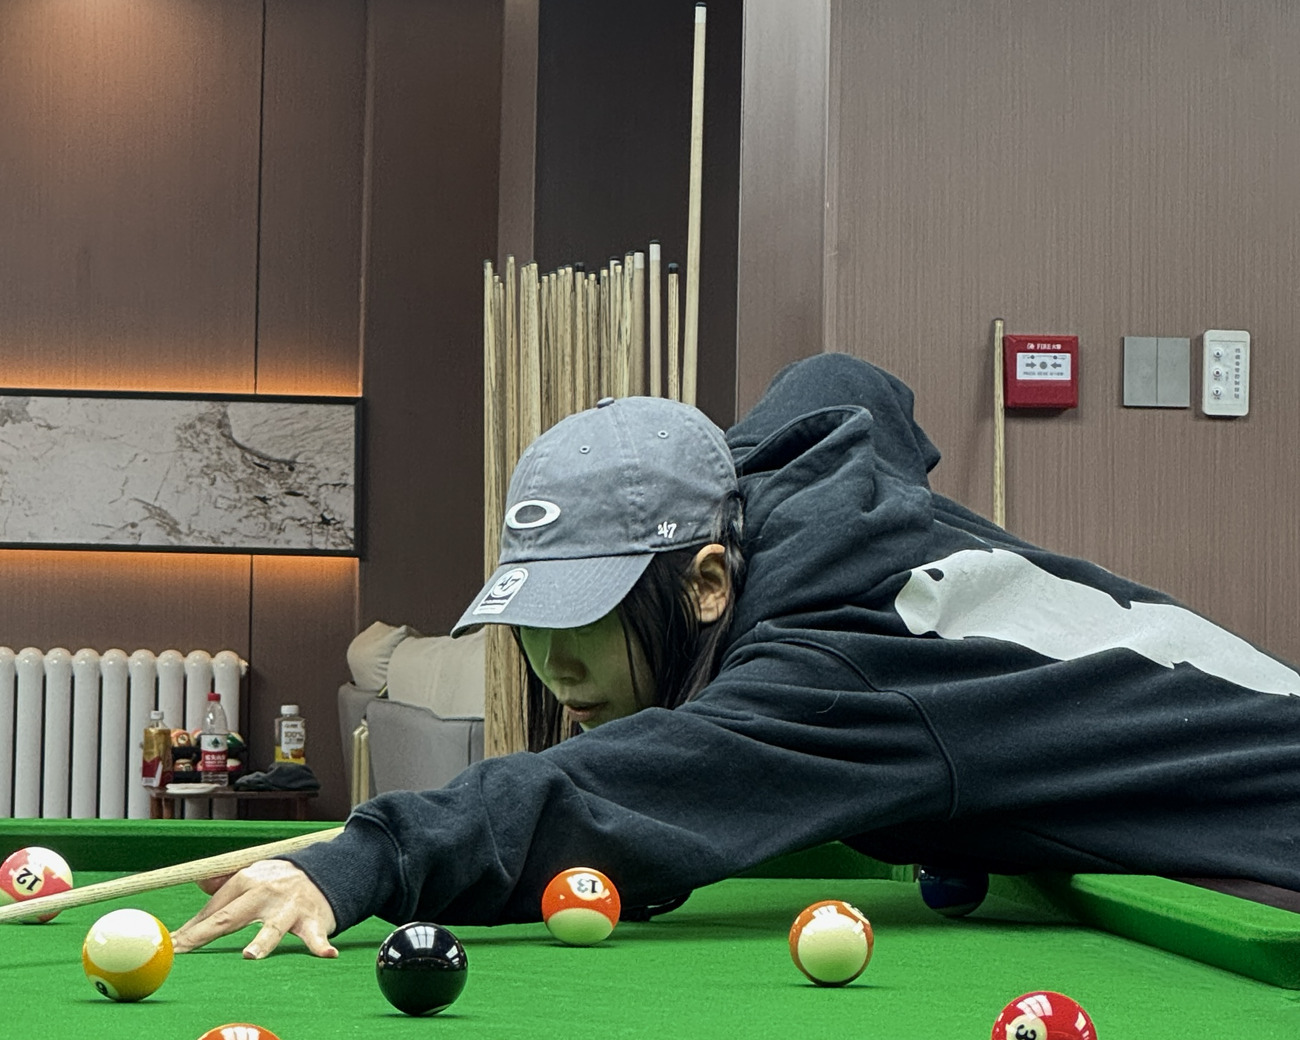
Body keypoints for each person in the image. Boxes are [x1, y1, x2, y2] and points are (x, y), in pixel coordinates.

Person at [172, 352, 1300, 962]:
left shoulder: (840, 666)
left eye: (593, 614)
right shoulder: (771, 501)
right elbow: (841, 383)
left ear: (708, 583)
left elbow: (612, 794)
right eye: (534, 619)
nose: (557, 665)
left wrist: (364, 860)